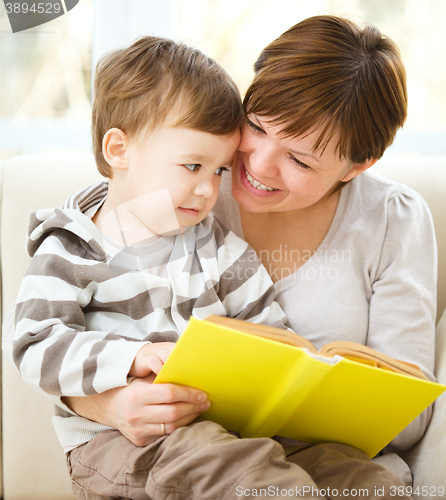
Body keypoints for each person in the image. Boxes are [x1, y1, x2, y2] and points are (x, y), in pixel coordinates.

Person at [7, 15, 434, 500]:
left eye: (300, 159)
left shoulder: (209, 226)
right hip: (139, 445)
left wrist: (293, 367)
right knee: (234, 464)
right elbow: (33, 334)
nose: (251, 166)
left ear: (357, 167)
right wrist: (120, 379)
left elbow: (268, 329)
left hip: (246, 440)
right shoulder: (125, 219)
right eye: (255, 127)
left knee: (372, 478)